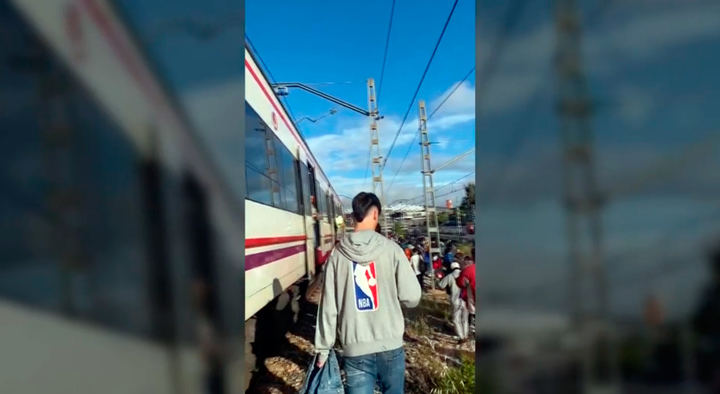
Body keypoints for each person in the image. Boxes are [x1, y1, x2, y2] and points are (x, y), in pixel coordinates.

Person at [314, 192, 422, 394]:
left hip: (355, 349)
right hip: (390, 345)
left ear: (354, 216)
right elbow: (412, 297)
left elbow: (328, 308)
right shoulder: (392, 250)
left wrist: (323, 349)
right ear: (375, 215)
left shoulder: (336, 256)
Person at [438, 262, 469, 342]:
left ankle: (461, 337)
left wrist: (439, 278)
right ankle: (466, 335)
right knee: (465, 319)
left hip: (455, 300)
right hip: (466, 300)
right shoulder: (465, 274)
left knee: (456, 319)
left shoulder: (450, 276)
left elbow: (441, 285)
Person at [457, 256, 476, 326]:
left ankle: (472, 328)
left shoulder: (466, 270)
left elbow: (460, 283)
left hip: (473, 297)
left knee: (472, 312)